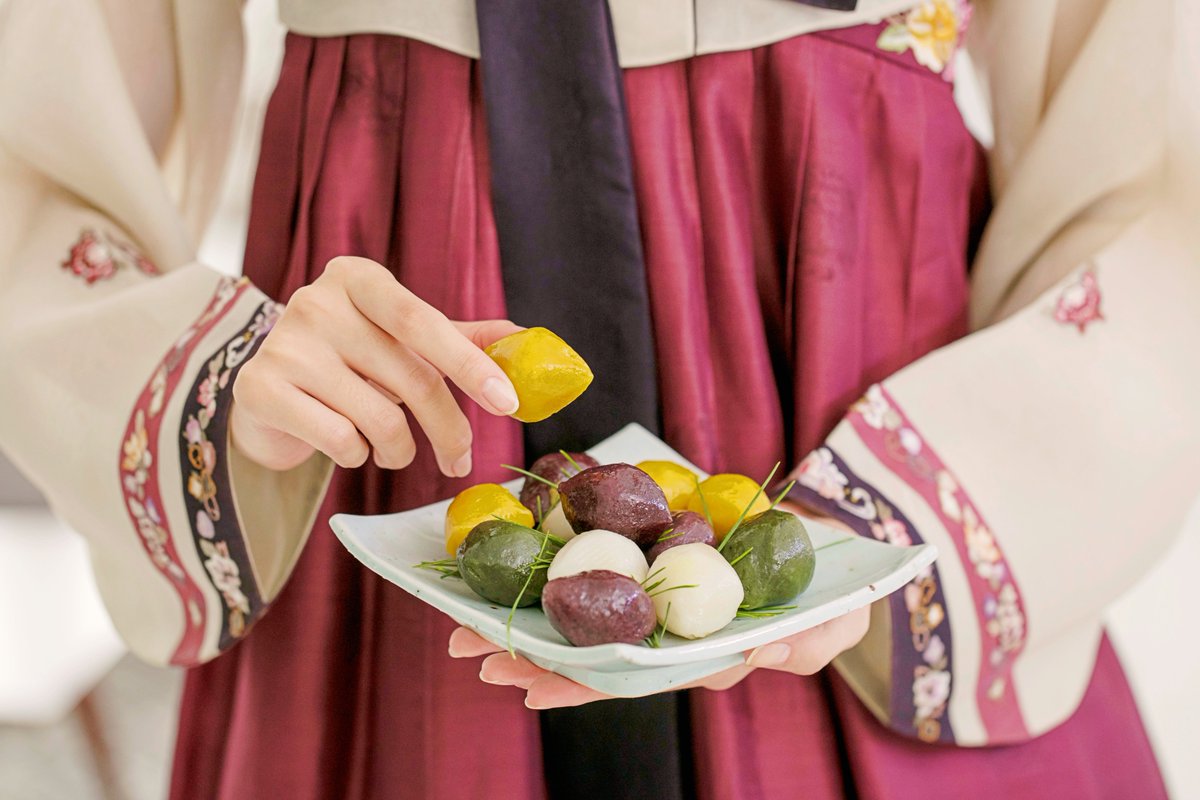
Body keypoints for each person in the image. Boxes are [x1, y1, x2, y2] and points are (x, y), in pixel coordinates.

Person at [0, 0, 1196, 797]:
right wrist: (222, 375)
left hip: (860, 444)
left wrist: (918, 519)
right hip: (393, 433)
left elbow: (1144, 167)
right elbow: (33, 150)